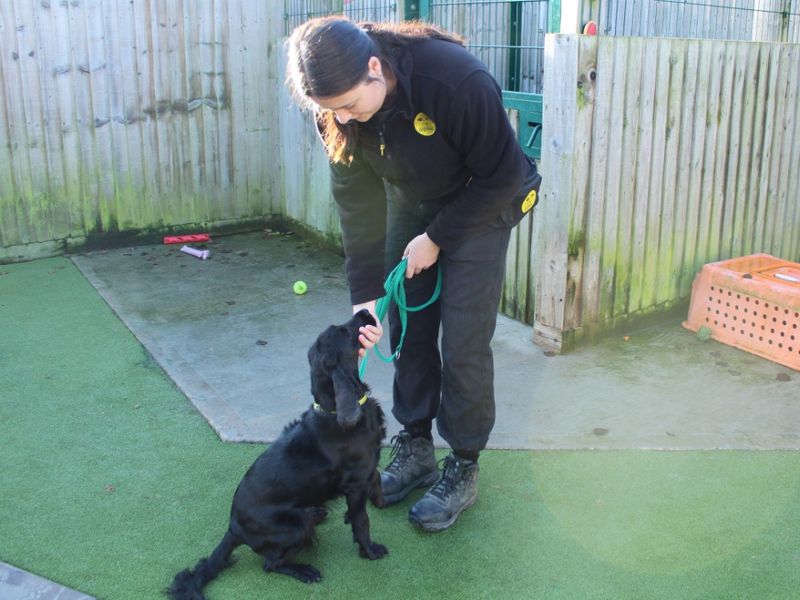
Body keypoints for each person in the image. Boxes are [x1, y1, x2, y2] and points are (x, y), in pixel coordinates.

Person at [286, 16, 541, 532]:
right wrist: (365, 301)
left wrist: (437, 238)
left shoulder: (455, 79)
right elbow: (357, 205)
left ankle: (463, 464)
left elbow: (503, 174)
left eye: (350, 104)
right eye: (332, 111)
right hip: (415, 197)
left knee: (464, 341)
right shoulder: (337, 110)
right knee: (409, 329)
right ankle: (417, 446)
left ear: (374, 67)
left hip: (487, 199)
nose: (344, 118)